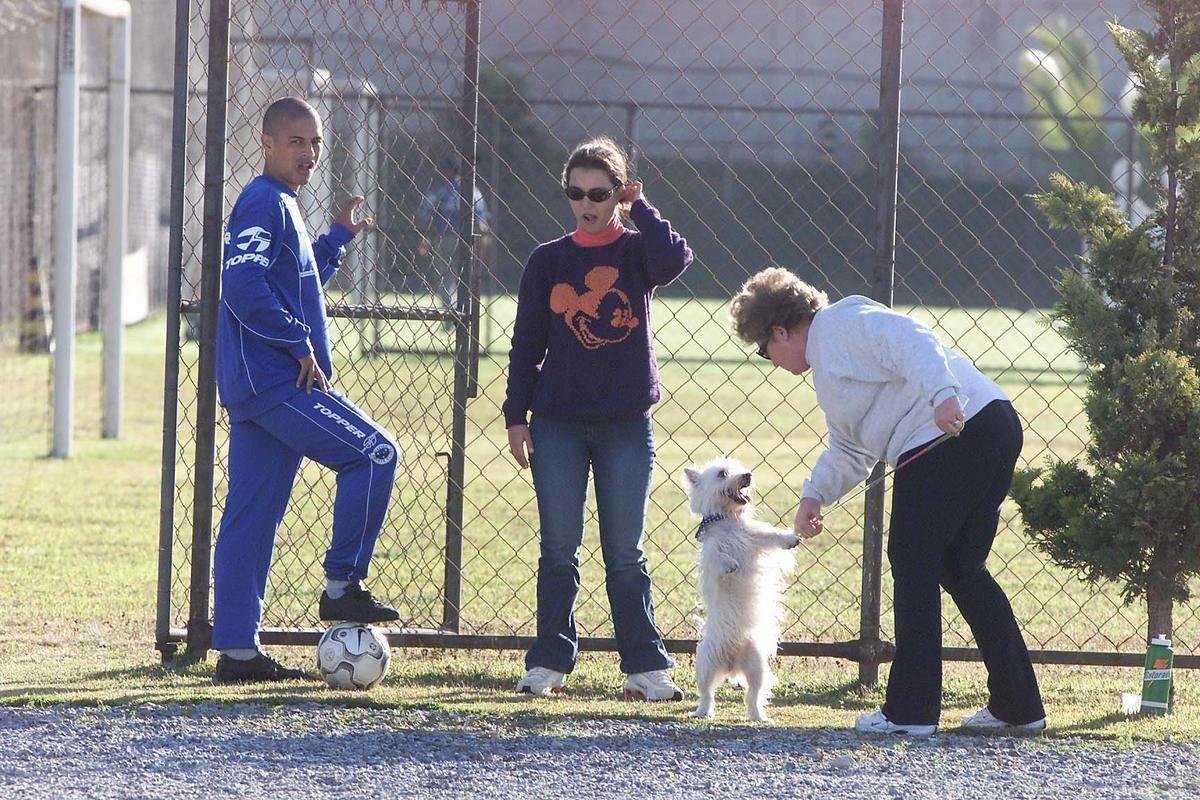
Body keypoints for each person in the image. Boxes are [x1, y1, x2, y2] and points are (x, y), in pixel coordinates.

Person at [729, 267, 1046, 734]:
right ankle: (1018, 708)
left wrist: (943, 395)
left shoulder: (841, 324)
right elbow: (849, 448)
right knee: (961, 567)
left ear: (780, 331)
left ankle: (910, 713)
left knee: (913, 562)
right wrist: (815, 495)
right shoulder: (829, 366)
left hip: (949, 435)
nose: (770, 360)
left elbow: (912, 339)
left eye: (764, 349)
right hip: (989, 427)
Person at [212, 96, 402, 684]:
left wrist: (336, 239)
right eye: (296, 141)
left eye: (316, 142)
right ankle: (342, 586)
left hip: (261, 387)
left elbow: (293, 279)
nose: (309, 152)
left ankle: (237, 654)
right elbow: (243, 285)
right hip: (277, 383)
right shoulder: (262, 201)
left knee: (251, 518)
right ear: (267, 143)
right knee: (375, 454)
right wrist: (299, 344)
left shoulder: (284, 204)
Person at [502, 136, 691, 701]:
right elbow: (526, 344)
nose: (586, 203)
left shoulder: (636, 252)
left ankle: (644, 667)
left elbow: (675, 259)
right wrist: (516, 415)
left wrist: (641, 210)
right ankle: (549, 663)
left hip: (625, 424)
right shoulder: (548, 260)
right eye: (576, 192)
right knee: (558, 550)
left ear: (618, 193)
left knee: (625, 554)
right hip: (557, 422)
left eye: (599, 193)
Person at [416, 156, 490, 313]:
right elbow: (481, 217)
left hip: (445, 236)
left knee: (445, 275)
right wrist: (483, 241)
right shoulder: (472, 190)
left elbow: (424, 212)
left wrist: (424, 236)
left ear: (448, 171)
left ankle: (450, 312)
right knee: (466, 276)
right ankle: (466, 311)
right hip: (468, 238)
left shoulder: (441, 190)